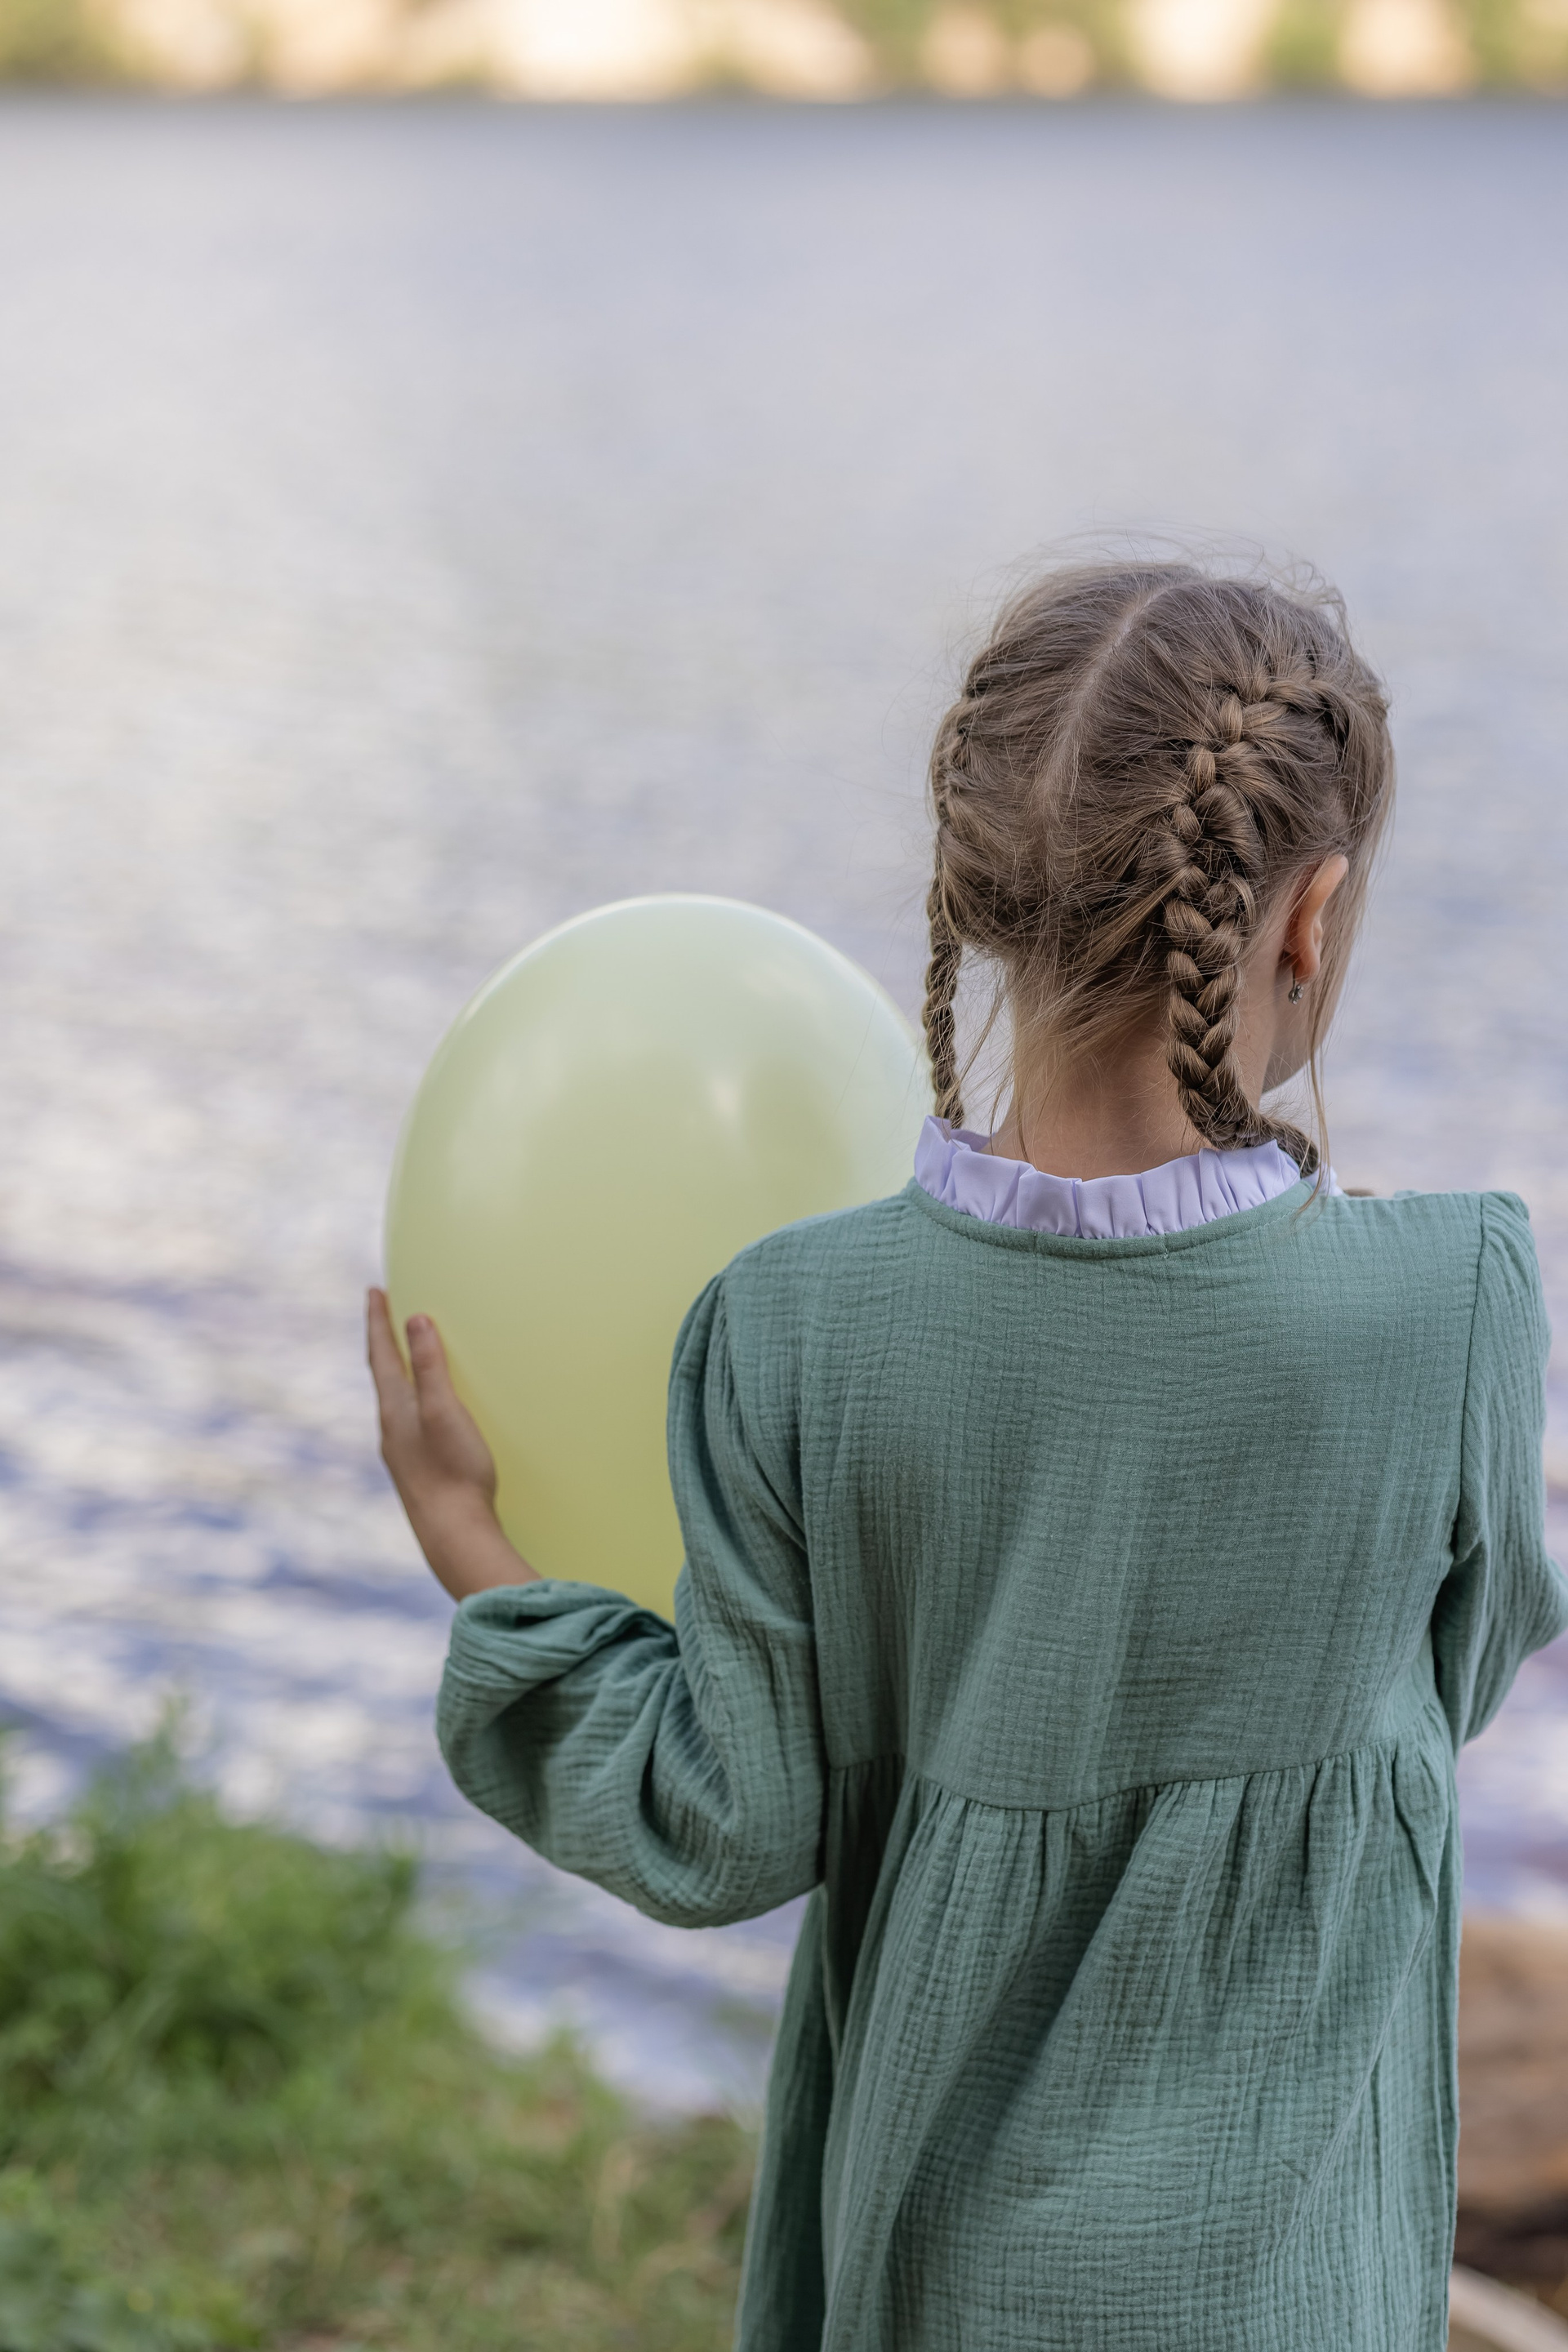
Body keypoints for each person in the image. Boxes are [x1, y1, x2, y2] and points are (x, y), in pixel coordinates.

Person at [367, 559, 1568, 2352]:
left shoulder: (794, 1330)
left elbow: (722, 1819)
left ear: (972, 889)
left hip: (946, 2289)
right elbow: (1454, 1673)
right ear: (1311, 918)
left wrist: (475, 1542)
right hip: (1288, 2297)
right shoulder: (1454, 1299)